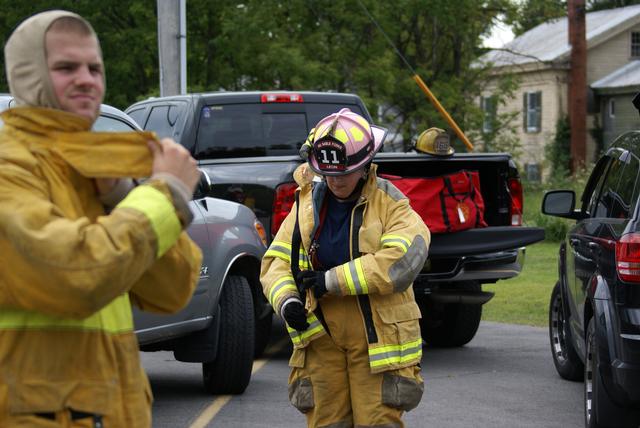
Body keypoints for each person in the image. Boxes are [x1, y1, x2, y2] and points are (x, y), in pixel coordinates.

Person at [0, 10, 202, 427]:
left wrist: (123, 195)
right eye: (65, 67)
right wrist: (165, 195)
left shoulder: (89, 165)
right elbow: (74, 274)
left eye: (95, 67)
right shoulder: (9, 166)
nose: (87, 79)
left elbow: (173, 290)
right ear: (27, 75)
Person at [261, 108, 430, 427]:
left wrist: (330, 281)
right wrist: (287, 301)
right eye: (329, 173)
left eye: (345, 172)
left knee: (377, 422)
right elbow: (276, 261)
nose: (336, 180)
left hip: (375, 339)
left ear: (365, 165)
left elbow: (401, 261)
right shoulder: (306, 205)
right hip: (321, 338)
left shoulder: (392, 205)